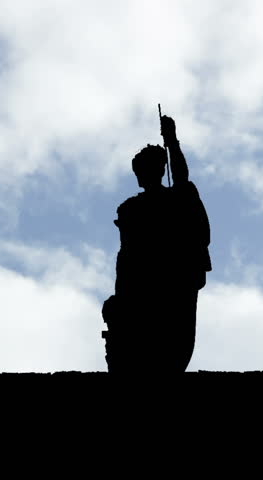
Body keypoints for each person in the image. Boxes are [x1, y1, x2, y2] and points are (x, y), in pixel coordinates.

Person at [103, 115, 211, 373]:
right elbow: (126, 257)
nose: (141, 176)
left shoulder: (176, 198)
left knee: (170, 345)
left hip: (172, 286)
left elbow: (182, 180)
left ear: (158, 170)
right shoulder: (131, 209)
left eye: (144, 170)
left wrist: (172, 142)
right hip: (139, 287)